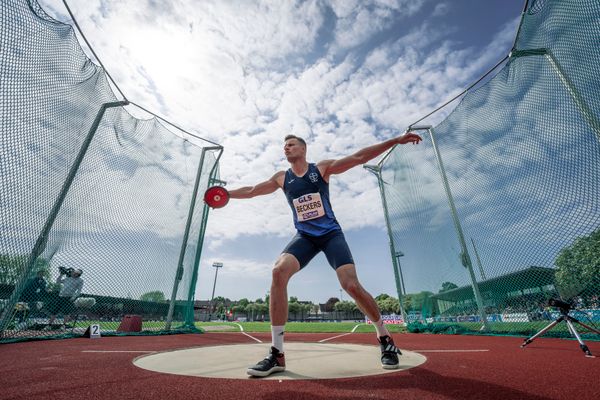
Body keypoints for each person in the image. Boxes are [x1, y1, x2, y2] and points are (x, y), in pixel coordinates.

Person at [227, 132, 422, 377]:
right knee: (278, 270)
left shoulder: (321, 169)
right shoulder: (281, 178)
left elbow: (359, 156)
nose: (286, 148)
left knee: (350, 285)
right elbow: (254, 190)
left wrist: (394, 141)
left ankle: (384, 337)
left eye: (291, 144)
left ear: (303, 149)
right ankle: (277, 353)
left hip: (331, 234)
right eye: (284, 146)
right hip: (305, 237)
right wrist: (227, 194)